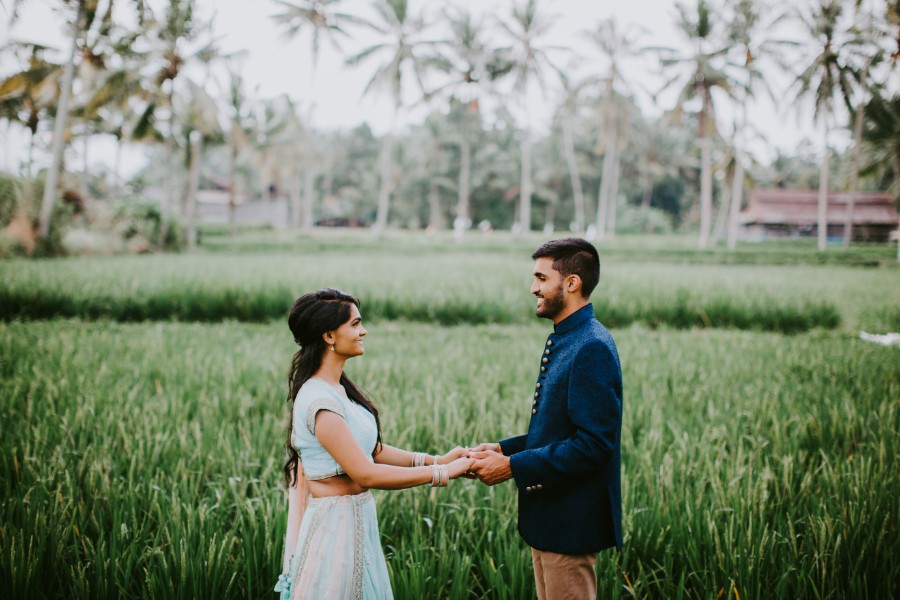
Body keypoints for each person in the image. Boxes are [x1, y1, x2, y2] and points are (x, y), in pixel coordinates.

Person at [275, 288, 474, 600]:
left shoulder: (338, 390)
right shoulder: (319, 400)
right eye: (355, 324)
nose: (363, 330)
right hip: (334, 530)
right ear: (329, 335)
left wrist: (435, 459)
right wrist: (444, 473)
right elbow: (366, 473)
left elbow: (373, 450)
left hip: (358, 520)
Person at [469, 238, 623, 600]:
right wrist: (503, 449)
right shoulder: (569, 337)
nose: (533, 287)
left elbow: (592, 445)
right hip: (552, 520)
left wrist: (511, 467)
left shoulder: (591, 345)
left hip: (571, 524)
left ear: (572, 283)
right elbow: (560, 428)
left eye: (541, 278)